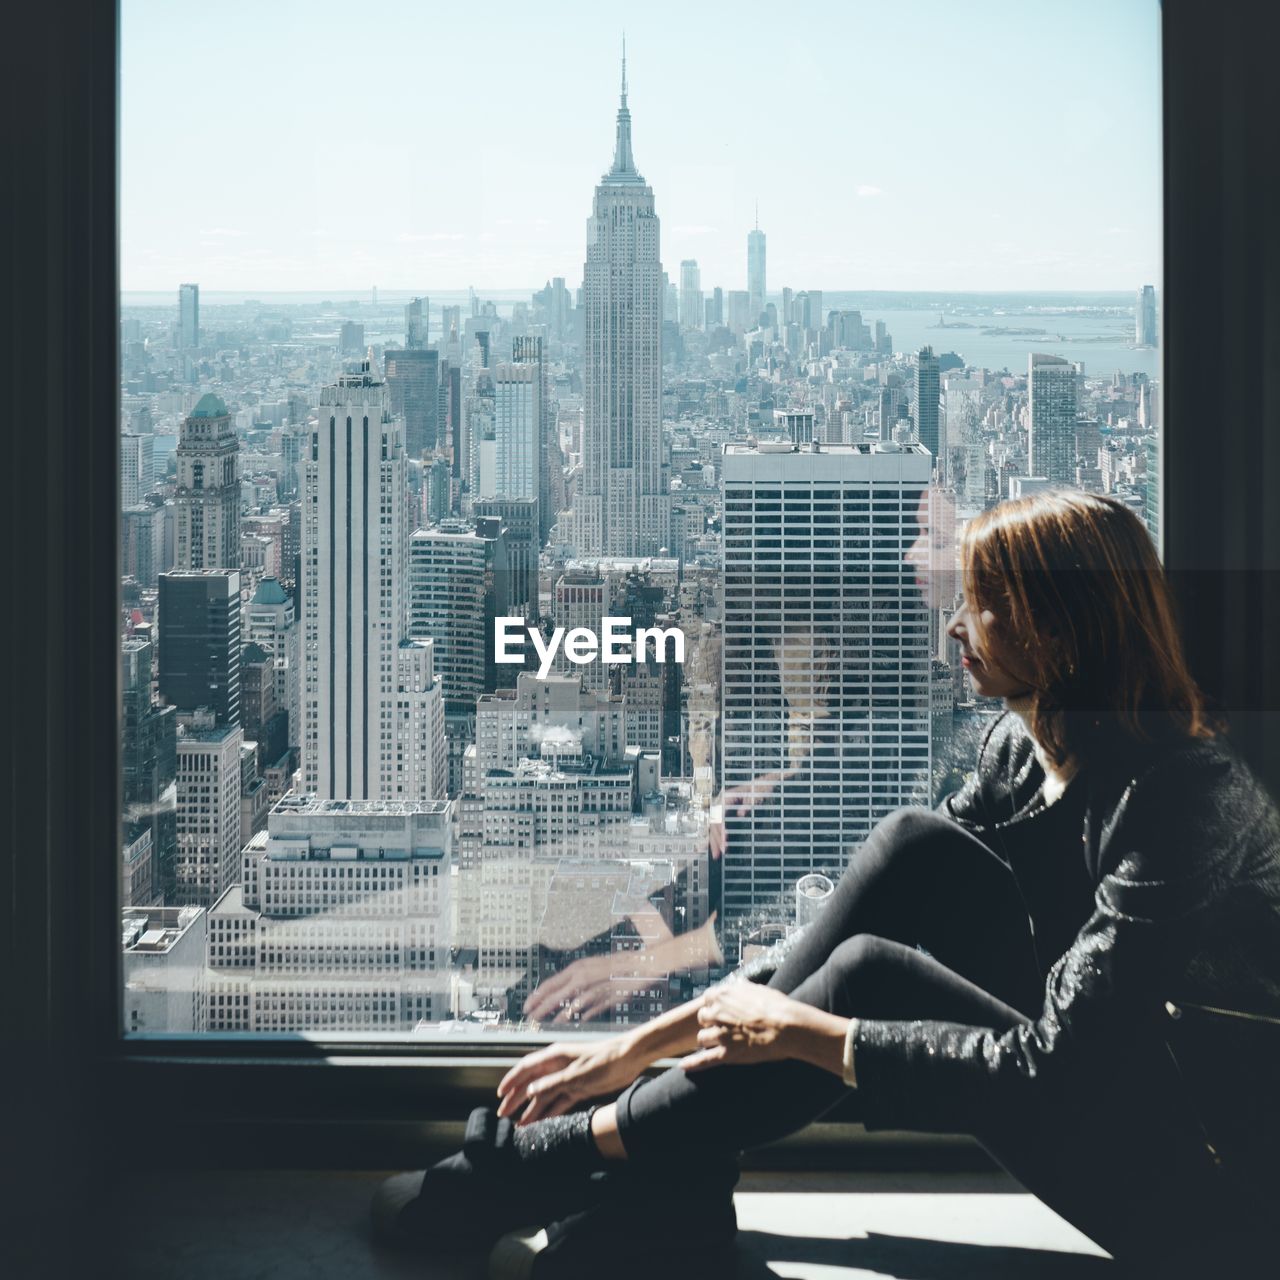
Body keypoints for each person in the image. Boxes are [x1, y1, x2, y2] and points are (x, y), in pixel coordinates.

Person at [372, 490, 1280, 1277]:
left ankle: (560, 1165)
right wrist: (639, 1046)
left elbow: (1058, 1072)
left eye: (986, 606)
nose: (955, 629)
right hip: (1119, 1105)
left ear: (1063, 628)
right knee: (911, 847)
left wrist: (826, 1037)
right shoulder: (1021, 747)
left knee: (868, 980)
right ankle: (665, 1192)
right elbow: (874, 902)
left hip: (1212, 1200)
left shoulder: (1187, 797)